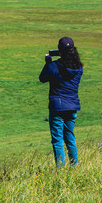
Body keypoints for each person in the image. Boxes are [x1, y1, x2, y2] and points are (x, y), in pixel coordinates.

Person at [39, 37, 83, 167]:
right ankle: (75, 166)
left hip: (57, 107)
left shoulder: (53, 67)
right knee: (70, 137)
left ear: (60, 51)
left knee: (57, 140)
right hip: (72, 106)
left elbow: (42, 78)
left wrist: (48, 63)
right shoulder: (79, 68)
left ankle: (61, 169)